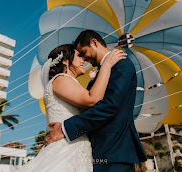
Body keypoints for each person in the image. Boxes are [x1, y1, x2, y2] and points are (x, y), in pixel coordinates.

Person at [45, 30, 147, 172]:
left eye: (83, 52)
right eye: (79, 55)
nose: (83, 59)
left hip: (114, 150)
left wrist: (66, 128)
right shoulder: (98, 77)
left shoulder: (121, 65)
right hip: (97, 151)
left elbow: (110, 106)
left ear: (94, 43)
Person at [19, 43, 127, 172]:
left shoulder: (67, 82)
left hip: (75, 147)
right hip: (66, 148)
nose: (83, 60)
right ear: (65, 61)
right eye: (78, 56)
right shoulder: (60, 79)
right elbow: (92, 99)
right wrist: (107, 65)